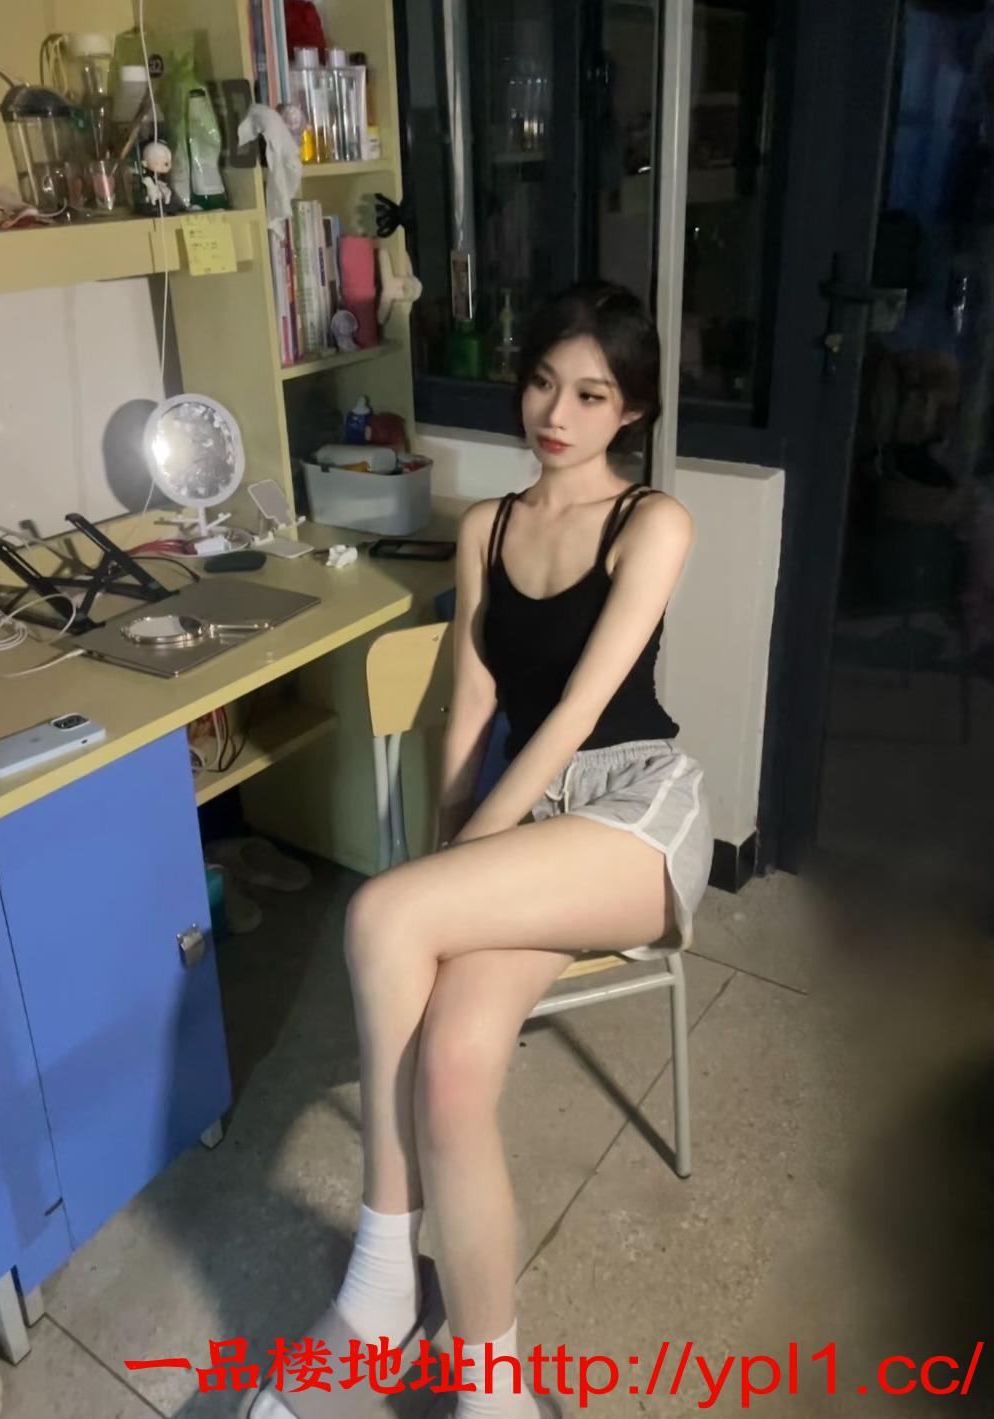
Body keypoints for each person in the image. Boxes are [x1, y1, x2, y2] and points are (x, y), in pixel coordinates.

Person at [247, 280, 713, 1419]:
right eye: (545, 382)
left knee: (382, 910)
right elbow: (473, 705)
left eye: (592, 394)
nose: (557, 412)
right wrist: (457, 841)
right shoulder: (487, 528)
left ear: (631, 411)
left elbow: (578, 710)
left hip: (632, 812)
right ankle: (494, 1391)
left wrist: (458, 865)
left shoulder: (653, 522)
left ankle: (378, 1293)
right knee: (452, 1066)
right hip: (531, 820)